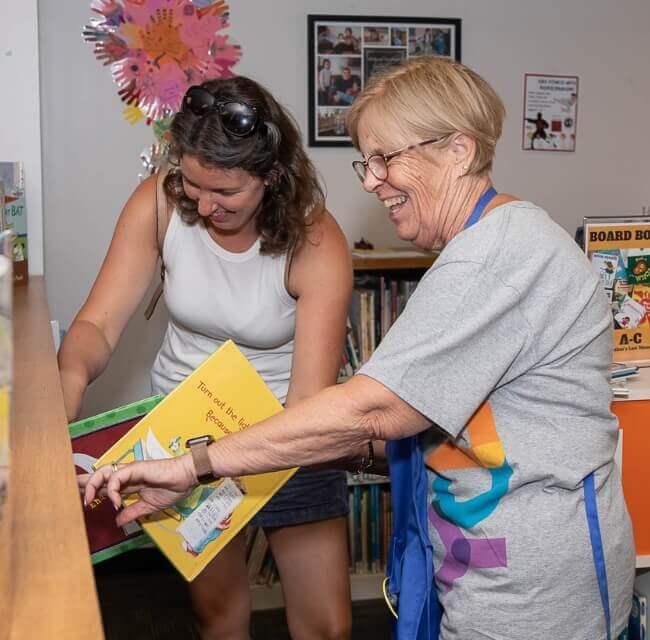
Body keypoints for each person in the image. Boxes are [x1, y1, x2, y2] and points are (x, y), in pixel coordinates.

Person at [84, 57, 635, 640]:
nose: (370, 181)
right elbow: (416, 423)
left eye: (384, 159)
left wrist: (194, 464)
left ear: (459, 152)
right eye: (365, 161)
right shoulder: (480, 249)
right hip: (485, 565)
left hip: (536, 589)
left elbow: (374, 409)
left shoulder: (499, 256)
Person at [60, 75, 354, 640]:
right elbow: (97, 324)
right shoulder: (161, 202)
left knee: (327, 626)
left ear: (271, 178)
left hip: (289, 434)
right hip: (186, 432)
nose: (202, 203)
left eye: (224, 192)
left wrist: (231, 459)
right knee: (218, 616)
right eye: (192, 184)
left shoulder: (317, 242)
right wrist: (65, 391)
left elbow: (308, 404)